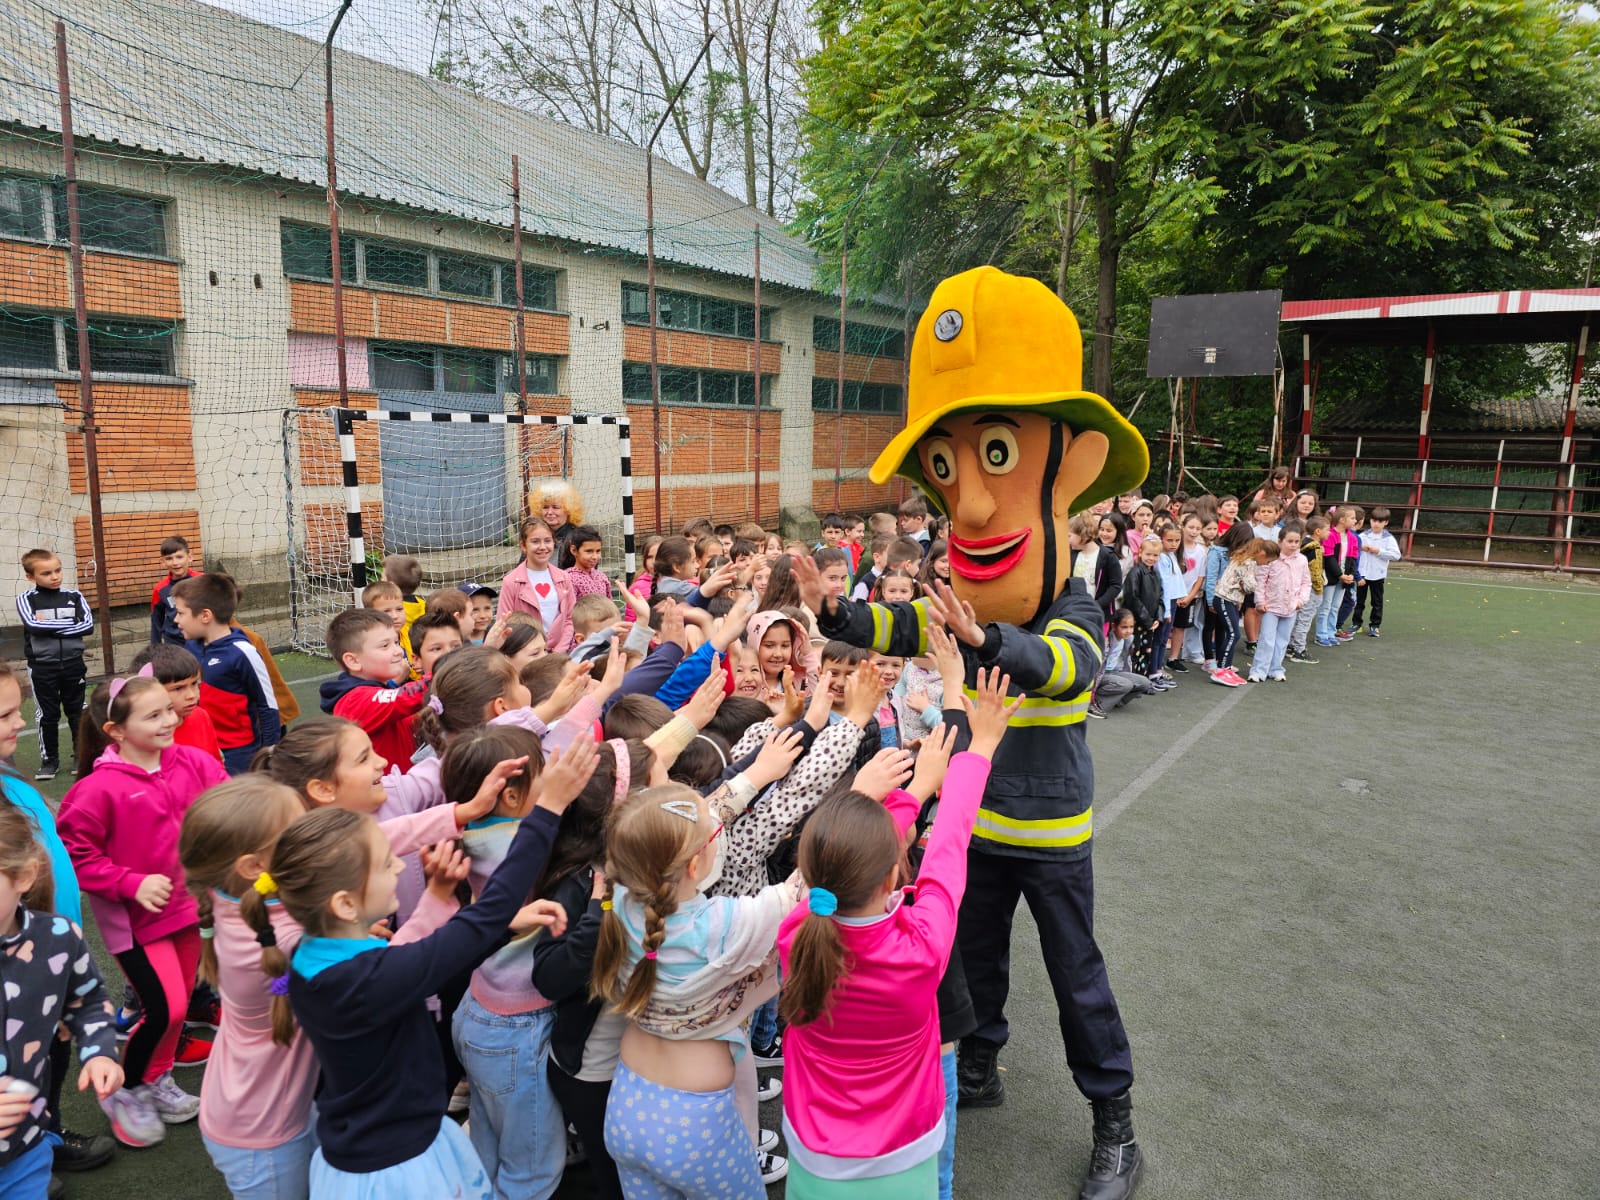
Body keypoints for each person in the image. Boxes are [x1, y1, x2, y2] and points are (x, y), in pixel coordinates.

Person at [802, 267, 1150, 1200]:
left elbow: (1065, 667)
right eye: (952, 472)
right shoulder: (963, 609)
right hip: (974, 822)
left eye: (997, 457)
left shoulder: (1074, 606)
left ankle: (1115, 1123)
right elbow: (902, 626)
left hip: (1050, 828)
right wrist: (835, 613)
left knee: (1076, 973)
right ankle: (983, 1059)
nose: (973, 507)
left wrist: (988, 640)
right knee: (975, 955)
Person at [261, 736, 595, 1199]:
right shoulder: (367, 979)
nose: (399, 871)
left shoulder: (316, 957)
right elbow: (486, 913)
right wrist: (549, 808)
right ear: (344, 904)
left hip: (373, 1148)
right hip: (397, 1170)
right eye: (385, 866)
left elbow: (416, 953)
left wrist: (441, 900)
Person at [777, 671, 1014, 1199]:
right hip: (904, 1156)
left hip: (813, 1159)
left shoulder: (795, 931)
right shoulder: (920, 946)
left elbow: (839, 858)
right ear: (893, 875)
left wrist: (892, 793)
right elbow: (949, 843)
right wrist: (975, 751)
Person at [178, 776, 472, 1200]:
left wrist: (457, 813)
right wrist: (433, 904)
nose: (316, 838)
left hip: (275, 1107)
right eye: (298, 832)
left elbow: (358, 847)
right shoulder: (275, 942)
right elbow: (385, 974)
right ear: (254, 866)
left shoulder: (246, 899)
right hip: (264, 1131)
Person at [591, 782, 805, 1199]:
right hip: (695, 1128)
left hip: (625, 1106)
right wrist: (866, 795)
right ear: (694, 865)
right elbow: (801, 888)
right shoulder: (722, 924)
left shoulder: (618, 902)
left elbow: (659, 833)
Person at [56, 672, 228, 1147]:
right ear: (116, 731)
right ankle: (126, 1089)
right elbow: (77, 855)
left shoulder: (193, 762)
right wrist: (131, 883)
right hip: (135, 924)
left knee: (177, 1008)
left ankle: (157, 1076)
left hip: (188, 908)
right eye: (154, 715)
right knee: (165, 1008)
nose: (170, 720)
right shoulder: (96, 790)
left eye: (168, 710)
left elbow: (227, 807)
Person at [0, 661, 117, 1181]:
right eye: (4, 715)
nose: (18, 724)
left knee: (49, 1055)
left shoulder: (10, 775)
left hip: (43, 957)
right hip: (19, 958)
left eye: (17, 710)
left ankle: (42, 1137)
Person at [0, 802, 123, 1200]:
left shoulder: (56, 938)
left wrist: (100, 1051)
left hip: (26, 1150)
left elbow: (88, 1001)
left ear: (24, 876)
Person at [172, 574, 282, 774]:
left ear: (205, 616)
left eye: (181, 613)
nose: (176, 619)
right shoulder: (190, 647)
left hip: (240, 754)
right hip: (202, 745)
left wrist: (267, 757)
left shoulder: (243, 652)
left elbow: (268, 706)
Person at [318, 608, 429, 774]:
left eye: (396, 642)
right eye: (385, 646)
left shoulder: (378, 691)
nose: (398, 651)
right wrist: (451, 669)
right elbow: (408, 697)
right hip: (382, 789)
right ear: (353, 661)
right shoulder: (354, 701)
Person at [15, 548, 92, 782]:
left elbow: (87, 625)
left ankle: (81, 756)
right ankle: (49, 760)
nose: (55, 576)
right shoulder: (26, 599)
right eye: (46, 573)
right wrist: (69, 623)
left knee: (76, 710)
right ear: (31, 577)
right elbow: (33, 626)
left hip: (73, 664)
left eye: (58, 570)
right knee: (47, 714)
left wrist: (51, 628)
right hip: (42, 667)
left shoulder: (75, 596)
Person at [127, 644, 222, 763]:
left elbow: (215, 763)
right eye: (178, 688)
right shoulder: (142, 733)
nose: (191, 695)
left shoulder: (200, 716)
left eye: (194, 684)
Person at [499, 517, 577, 653]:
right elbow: (504, 622)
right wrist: (534, 652)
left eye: (547, 541)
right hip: (527, 653)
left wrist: (558, 651)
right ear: (523, 546)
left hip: (559, 653)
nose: (542, 547)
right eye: (535, 541)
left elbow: (570, 618)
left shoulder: (564, 578)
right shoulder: (511, 582)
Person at [1251, 527, 1310, 683]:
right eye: (1289, 541)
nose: (1293, 545)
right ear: (1280, 541)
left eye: (1297, 541)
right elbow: (1261, 581)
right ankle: (1258, 670)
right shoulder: (1272, 558)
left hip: (1291, 607)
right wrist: (1260, 601)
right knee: (1266, 639)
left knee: (1282, 640)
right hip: (1270, 606)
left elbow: (1306, 583)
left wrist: (1300, 601)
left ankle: (1276, 669)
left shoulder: (1302, 560)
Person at [1121, 517, 1169, 690]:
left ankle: (1142, 682)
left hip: (1149, 623)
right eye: (1148, 554)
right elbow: (1132, 597)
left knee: (1145, 652)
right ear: (1140, 552)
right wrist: (1147, 619)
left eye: (1155, 555)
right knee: (1134, 652)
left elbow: (1160, 597)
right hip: (1137, 621)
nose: (1151, 558)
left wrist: (1158, 617)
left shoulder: (1154, 573)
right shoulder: (1136, 572)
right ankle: (1133, 682)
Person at [1214, 539, 1267, 687]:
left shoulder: (1243, 559)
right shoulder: (1247, 563)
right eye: (1268, 560)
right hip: (1224, 599)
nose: (1266, 564)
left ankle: (1226, 668)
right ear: (1261, 553)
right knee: (1233, 634)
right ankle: (1221, 670)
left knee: (1232, 633)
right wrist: (1255, 582)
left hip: (1230, 600)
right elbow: (1250, 587)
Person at [1090, 611, 1155, 716]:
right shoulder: (1107, 640)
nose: (1128, 631)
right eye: (1124, 627)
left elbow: (1126, 661)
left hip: (1115, 672)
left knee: (1144, 682)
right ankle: (1096, 703)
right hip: (1101, 675)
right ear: (1114, 626)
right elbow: (1097, 669)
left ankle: (1116, 701)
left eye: (1131, 627)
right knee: (1125, 684)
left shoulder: (1128, 639)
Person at [1316, 506, 1360, 649]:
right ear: (1342, 520)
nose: (1355, 521)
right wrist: (1340, 575)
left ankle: (1331, 632)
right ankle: (1321, 634)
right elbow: (1329, 558)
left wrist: (1351, 574)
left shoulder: (1352, 538)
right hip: (1332, 578)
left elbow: (1353, 558)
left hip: (1344, 578)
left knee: (1335, 607)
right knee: (1326, 606)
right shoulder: (1330, 535)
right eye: (1352, 518)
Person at [1286, 515, 1328, 665]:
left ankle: (1291, 646)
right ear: (1318, 531)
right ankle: (1299, 650)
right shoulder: (1314, 548)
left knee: (1298, 618)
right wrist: (1319, 588)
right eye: (1327, 529)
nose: (1329, 533)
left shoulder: (1302, 544)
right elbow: (1315, 572)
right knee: (1305, 619)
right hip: (1310, 589)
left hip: (1298, 587)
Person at [1353, 506, 1401, 637]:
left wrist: (1379, 551)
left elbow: (1396, 555)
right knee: (1359, 601)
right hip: (1362, 573)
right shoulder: (1363, 536)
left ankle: (1375, 625)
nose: (1376, 524)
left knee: (1377, 602)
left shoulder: (1388, 538)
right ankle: (1356, 624)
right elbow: (1352, 548)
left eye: (1380, 521)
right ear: (1370, 520)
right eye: (1374, 520)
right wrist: (1360, 547)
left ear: (1386, 522)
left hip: (1377, 575)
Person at [150, 535, 201, 647]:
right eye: (169, 558)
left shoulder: (203, 581)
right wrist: (154, 648)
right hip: (174, 643)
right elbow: (156, 621)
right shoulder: (160, 589)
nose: (175, 562)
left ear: (190, 557)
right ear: (162, 562)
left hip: (200, 640)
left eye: (179, 557)